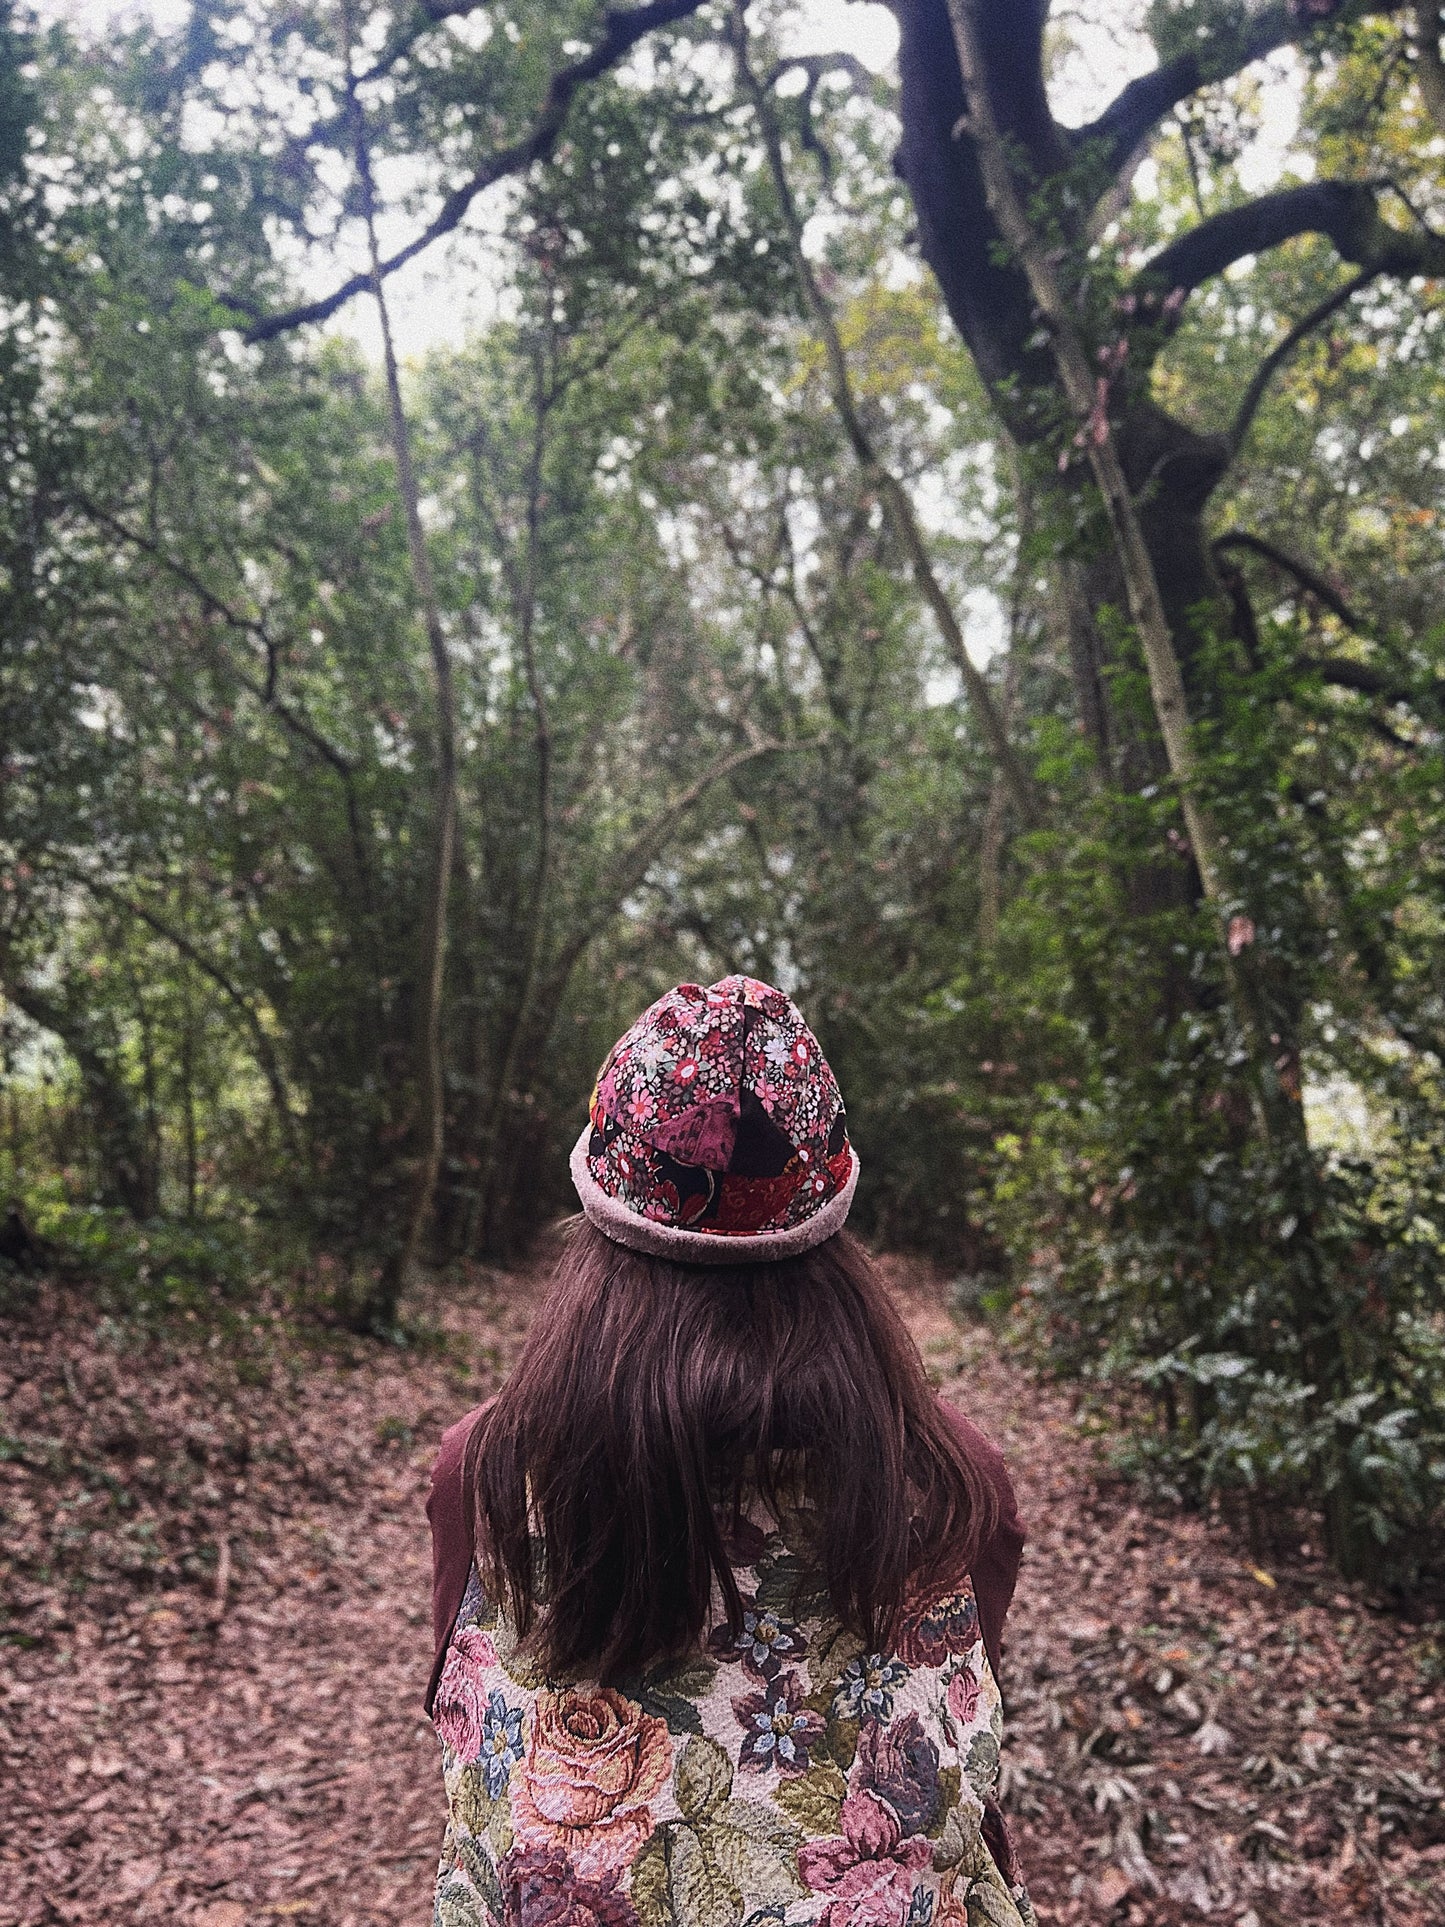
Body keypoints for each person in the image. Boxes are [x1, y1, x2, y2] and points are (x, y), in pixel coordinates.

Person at [425, 975, 1034, 1927]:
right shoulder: (949, 1480)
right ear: (827, 1216)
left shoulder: (496, 1470)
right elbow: (971, 1758)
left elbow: (467, 1753)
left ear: (600, 1210)